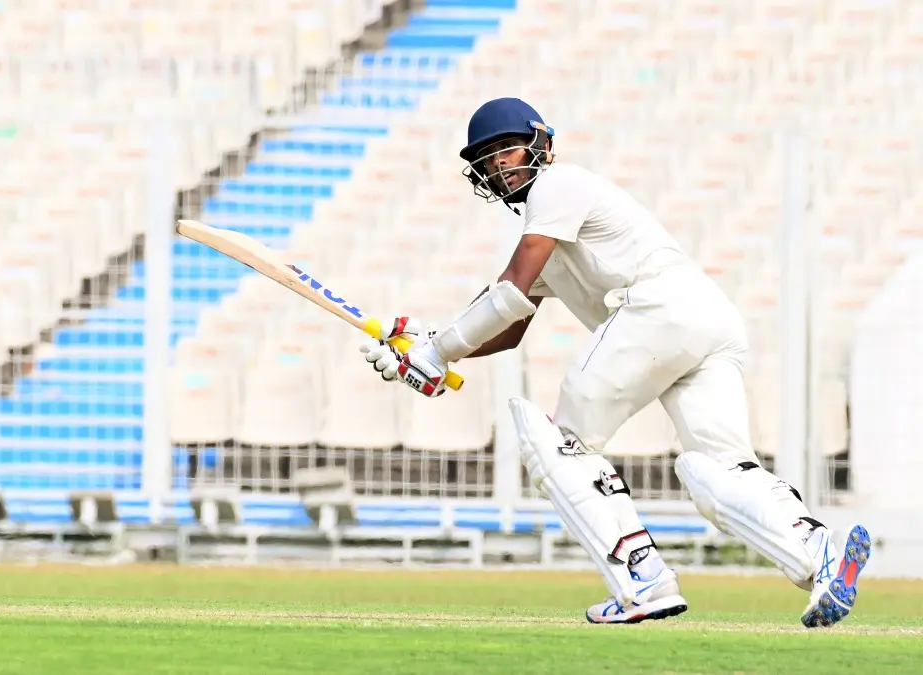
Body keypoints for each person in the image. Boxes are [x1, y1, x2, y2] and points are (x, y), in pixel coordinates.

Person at [358, 97, 871, 627]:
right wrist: (424, 349)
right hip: (706, 318)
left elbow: (508, 288)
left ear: (542, 145)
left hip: (657, 308)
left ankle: (643, 580)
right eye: (487, 161)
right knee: (716, 470)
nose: (499, 166)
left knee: (560, 446)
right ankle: (820, 554)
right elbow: (508, 324)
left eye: (507, 151)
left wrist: (438, 351)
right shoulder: (548, 234)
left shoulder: (558, 187)